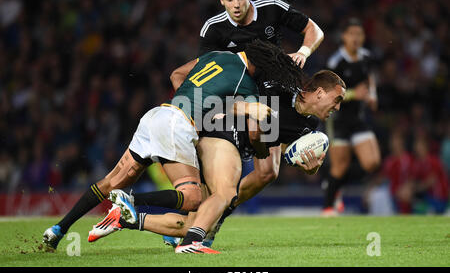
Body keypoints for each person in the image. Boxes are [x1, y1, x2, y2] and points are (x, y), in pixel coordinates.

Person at [42, 40, 299, 250]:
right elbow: (254, 133)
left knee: (109, 182)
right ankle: (129, 202)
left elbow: (176, 74)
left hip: (158, 114)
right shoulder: (248, 83)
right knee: (193, 198)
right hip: (177, 125)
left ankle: (58, 229)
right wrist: (262, 150)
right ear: (262, 64)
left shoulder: (217, 55)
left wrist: (193, 106)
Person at [89, 68, 346, 253]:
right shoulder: (276, 86)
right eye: (337, 100)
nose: (337, 108)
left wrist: (308, 169)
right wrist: (259, 146)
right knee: (220, 198)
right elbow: (252, 123)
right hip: (217, 133)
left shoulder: (309, 126)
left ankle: (127, 217)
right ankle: (192, 233)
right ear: (320, 92)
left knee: (193, 222)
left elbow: (278, 146)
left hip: (232, 146)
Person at [197, 0, 325, 226]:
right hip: (237, 100)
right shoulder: (213, 30)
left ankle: (218, 213)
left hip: (275, 93)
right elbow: (205, 73)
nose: (236, 5)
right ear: (221, 0)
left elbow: (314, 29)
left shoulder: (272, 9)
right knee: (217, 174)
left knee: (268, 173)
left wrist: (303, 51)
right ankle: (200, 218)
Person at [321, 17, 381, 216]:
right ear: (344, 37)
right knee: (339, 165)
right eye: (352, 34)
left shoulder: (366, 57)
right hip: (338, 120)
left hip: (358, 119)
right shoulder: (335, 62)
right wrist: (356, 94)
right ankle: (329, 206)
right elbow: (328, 94)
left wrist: (372, 95)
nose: (356, 38)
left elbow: (369, 78)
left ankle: (336, 185)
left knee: (372, 162)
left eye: (359, 34)